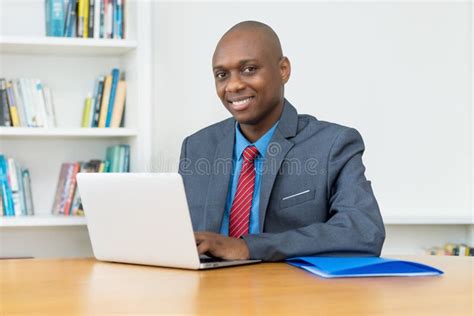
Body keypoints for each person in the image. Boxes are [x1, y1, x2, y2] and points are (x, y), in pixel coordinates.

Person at [178, 21, 385, 261]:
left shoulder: (333, 145)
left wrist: (248, 248)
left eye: (249, 69)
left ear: (283, 70)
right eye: (222, 75)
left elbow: (364, 231)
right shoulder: (196, 147)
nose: (233, 85)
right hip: (206, 290)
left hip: (288, 292)